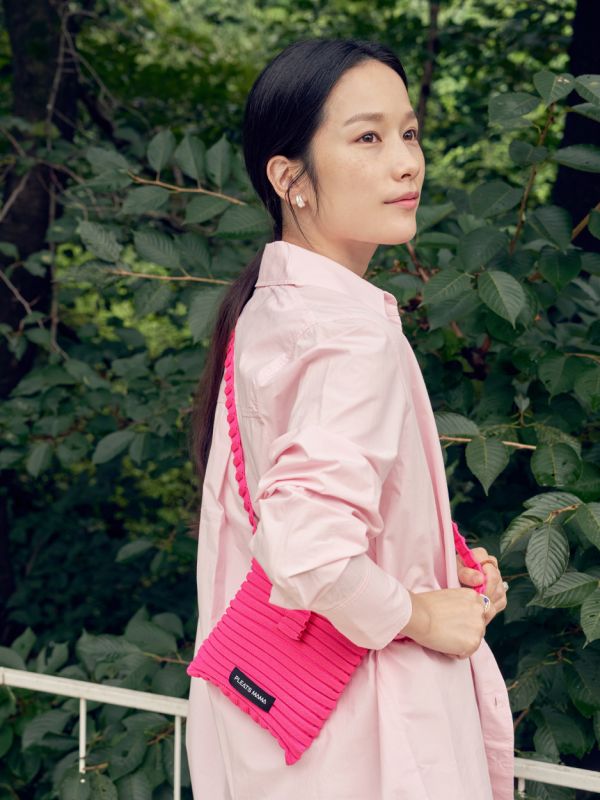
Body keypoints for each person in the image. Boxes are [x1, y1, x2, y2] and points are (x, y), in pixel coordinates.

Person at [185, 37, 514, 800]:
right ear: (289, 178)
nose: (406, 163)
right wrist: (422, 617)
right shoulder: (346, 333)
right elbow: (308, 549)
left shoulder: (272, 312)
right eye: (368, 138)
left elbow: (305, 513)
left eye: (409, 133)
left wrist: (435, 569)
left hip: (284, 737)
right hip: (369, 742)